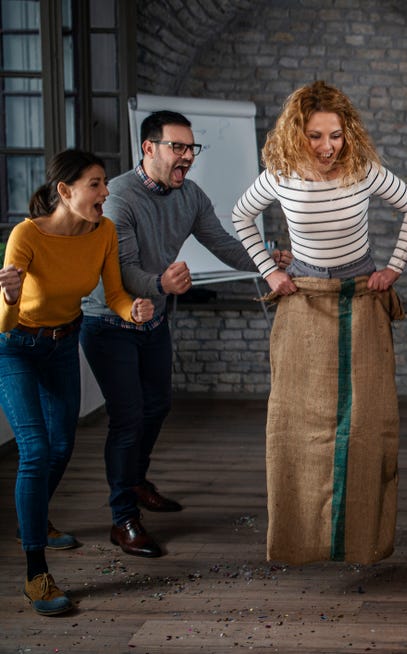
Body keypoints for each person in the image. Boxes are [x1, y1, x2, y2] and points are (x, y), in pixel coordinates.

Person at [232, 81, 407, 565]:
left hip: (360, 292)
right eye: (315, 136)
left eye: (335, 135)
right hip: (305, 294)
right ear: (297, 134)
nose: (326, 147)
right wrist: (270, 271)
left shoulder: (363, 170)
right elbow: (241, 216)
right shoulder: (279, 173)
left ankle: (361, 538)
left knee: (364, 420)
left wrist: (393, 268)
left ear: (348, 133)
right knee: (297, 419)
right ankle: (302, 539)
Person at [80, 111, 288, 558]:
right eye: (178, 147)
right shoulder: (117, 198)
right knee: (128, 418)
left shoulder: (190, 195)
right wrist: (162, 284)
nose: (188, 157)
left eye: (192, 148)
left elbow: (226, 245)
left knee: (157, 405)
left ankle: (135, 479)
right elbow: (123, 273)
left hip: (153, 320)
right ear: (149, 148)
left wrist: (270, 258)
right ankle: (123, 519)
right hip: (109, 324)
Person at [0, 149, 153, 615]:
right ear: (65, 191)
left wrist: (134, 310)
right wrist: (7, 295)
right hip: (16, 348)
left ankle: (35, 519)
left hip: (64, 343)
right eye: (95, 183)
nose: (106, 192)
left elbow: (114, 294)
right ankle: (36, 574)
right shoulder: (26, 235)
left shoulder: (102, 231)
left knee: (63, 446)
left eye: (104, 182)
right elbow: (4, 323)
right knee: (36, 450)